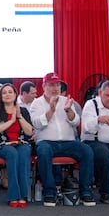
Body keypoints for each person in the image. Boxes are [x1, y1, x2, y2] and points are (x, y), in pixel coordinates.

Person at [30, 72, 96, 207]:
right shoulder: (36, 103)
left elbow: (76, 122)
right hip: (47, 142)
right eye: (51, 85)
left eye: (57, 85)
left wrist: (68, 111)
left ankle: (85, 192)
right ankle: (49, 192)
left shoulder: (66, 101)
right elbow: (37, 124)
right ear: (44, 86)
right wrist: (51, 110)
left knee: (87, 151)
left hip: (68, 142)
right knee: (43, 152)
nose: (55, 88)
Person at [0, 83, 33, 207]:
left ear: (15, 95)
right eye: (4, 93)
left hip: (21, 143)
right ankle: (14, 195)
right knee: (12, 153)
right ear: (0, 96)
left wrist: (19, 117)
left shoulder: (23, 111)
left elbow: (29, 132)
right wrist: (10, 122)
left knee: (24, 151)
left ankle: (23, 195)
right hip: (2, 145)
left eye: (10, 92)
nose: (7, 95)